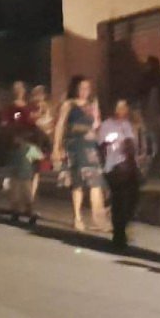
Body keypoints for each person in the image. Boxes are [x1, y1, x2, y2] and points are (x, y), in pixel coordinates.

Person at [53, 76, 107, 232]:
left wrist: (97, 121)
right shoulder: (68, 105)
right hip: (75, 145)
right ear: (76, 88)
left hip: (90, 147)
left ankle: (99, 220)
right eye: (82, 88)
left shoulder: (91, 105)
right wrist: (56, 147)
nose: (85, 91)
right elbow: (60, 126)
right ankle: (77, 217)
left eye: (87, 88)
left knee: (96, 182)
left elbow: (97, 125)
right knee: (77, 183)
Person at [98, 99, 140, 248]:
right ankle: (119, 233)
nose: (122, 110)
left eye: (124, 107)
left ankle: (124, 227)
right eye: (119, 107)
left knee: (130, 200)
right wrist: (110, 142)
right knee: (119, 200)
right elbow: (101, 144)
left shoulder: (127, 125)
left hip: (128, 166)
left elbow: (132, 144)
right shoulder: (106, 125)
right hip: (114, 166)